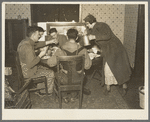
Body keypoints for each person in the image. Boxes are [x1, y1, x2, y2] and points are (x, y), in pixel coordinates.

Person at [83, 14, 132, 96]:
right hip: (107, 50)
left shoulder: (102, 25)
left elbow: (107, 35)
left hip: (115, 49)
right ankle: (108, 87)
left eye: (87, 24)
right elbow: (89, 38)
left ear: (91, 22)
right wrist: (85, 34)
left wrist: (94, 36)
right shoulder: (92, 29)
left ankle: (124, 86)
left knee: (119, 68)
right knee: (107, 69)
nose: (87, 26)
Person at [47, 28, 92, 103]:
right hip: (78, 79)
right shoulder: (83, 50)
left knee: (57, 75)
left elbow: (50, 63)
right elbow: (87, 66)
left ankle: (64, 96)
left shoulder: (61, 49)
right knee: (78, 74)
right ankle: (73, 96)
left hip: (64, 79)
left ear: (67, 37)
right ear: (77, 38)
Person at [17, 26, 57, 97]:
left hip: (25, 69)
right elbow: (31, 64)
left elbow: (36, 45)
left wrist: (48, 43)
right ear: (34, 34)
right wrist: (40, 55)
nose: (39, 36)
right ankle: (44, 92)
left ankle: (40, 89)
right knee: (51, 73)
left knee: (45, 68)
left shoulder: (25, 42)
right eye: (38, 34)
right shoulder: (27, 46)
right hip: (29, 72)